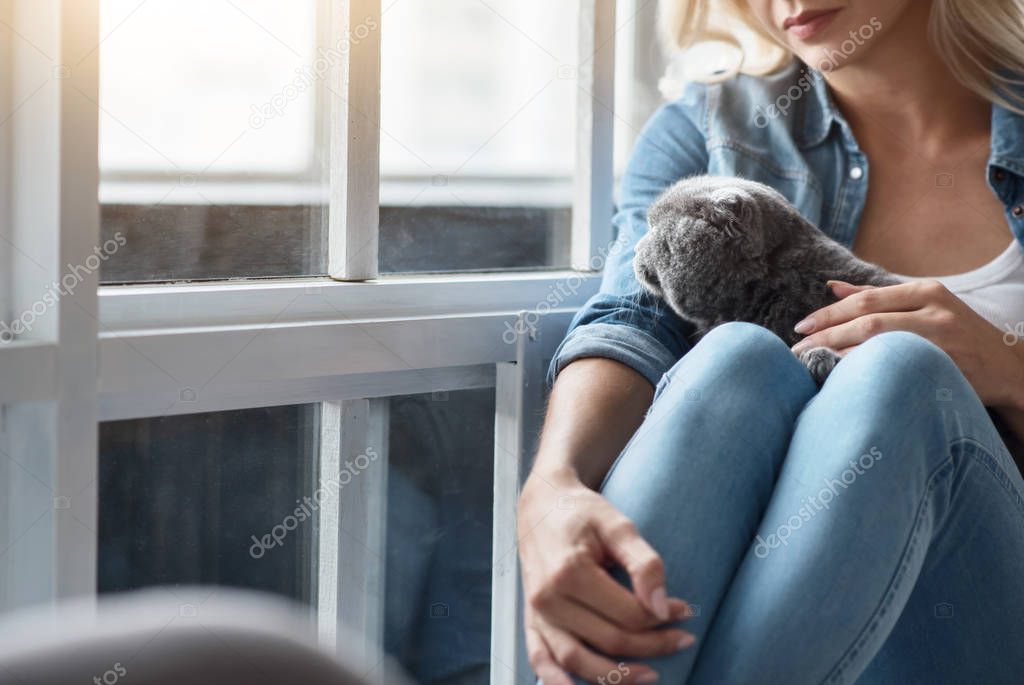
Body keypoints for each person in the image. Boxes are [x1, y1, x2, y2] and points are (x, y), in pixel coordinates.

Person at [516, 1, 1024, 683]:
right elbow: (630, 320)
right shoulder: (712, 130)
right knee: (736, 357)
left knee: (900, 370)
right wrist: (552, 486)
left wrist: (1009, 366)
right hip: (811, 639)